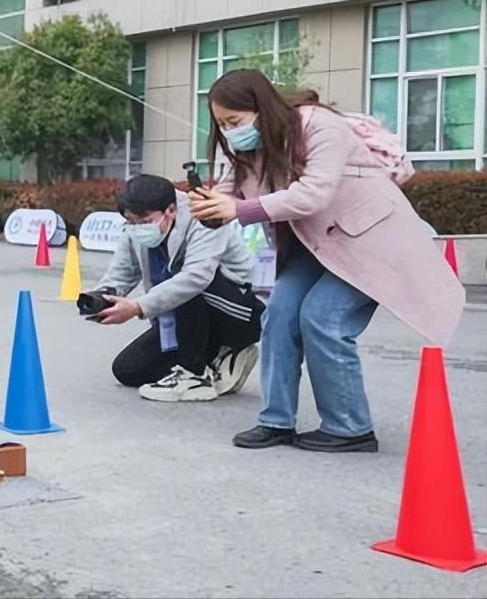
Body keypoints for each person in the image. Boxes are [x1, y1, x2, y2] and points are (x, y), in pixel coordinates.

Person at [189, 69, 464, 452]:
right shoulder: (250, 150)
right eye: (222, 125)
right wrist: (208, 207)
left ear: (261, 107)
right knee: (279, 315)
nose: (230, 131)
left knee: (323, 318)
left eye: (234, 121)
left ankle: (351, 428)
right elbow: (228, 192)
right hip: (311, 244)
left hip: (368, 241)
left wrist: (238, 209)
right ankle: (276, 421)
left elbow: (312, 195)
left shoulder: (320, 125)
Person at [86, 174, 264, 402]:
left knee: (187, 283)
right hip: (189, 319)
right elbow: (122, 272)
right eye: (130, 221)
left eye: (143, 221)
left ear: (170, 210)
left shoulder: (204, 217)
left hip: (241, 311)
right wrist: (104, 297)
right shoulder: (133, 228)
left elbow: (196, 278)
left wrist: (138, 307)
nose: (136, 227)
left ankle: (195, 376)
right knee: (128, 370)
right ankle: (220, 358)